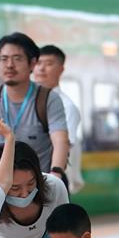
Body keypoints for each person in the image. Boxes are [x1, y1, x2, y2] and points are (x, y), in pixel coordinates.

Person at [0, 32, 69, 180]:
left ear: (32, 63)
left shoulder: (48, 99)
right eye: (4, 59)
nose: (9, 65)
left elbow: (60, 141)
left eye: (17, 59)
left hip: (35, 192)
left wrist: (55, 176)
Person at [35, 45, 84, 193]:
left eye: (48, 64)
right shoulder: (28, 102)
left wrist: (52, 182)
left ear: (61, 69)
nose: (41, 68)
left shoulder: (67, 107)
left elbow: (65, 148)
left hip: (50, 184)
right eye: (38, 63)